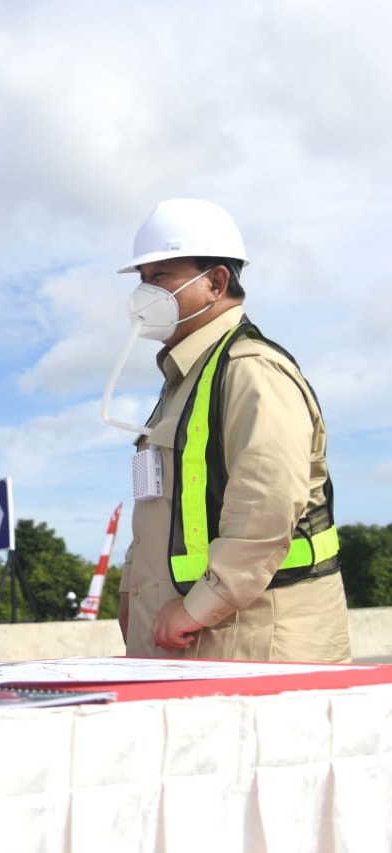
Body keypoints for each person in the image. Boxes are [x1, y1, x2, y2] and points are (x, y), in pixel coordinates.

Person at [103, 198, 350, 661]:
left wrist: (198, 607)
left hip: (256, 642)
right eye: (142, 280)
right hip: (200, 638)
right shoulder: (184, 382)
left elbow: (267, 507)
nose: (144, 294)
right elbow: (158, 507)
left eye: (161, 277)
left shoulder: (251, 371)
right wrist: (131, 597)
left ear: (215, 282)